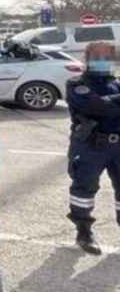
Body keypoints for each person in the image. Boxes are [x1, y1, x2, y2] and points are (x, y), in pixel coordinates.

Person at [65, 41, 120, 255]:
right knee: (84, 189)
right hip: (90, 145)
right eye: (97, 55)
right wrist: (109, 104)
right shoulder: (76, 83)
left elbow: (105, 105)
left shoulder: (116, 84)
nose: (102, 60)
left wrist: (109, 102)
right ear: (87, 58)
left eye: (107, 56)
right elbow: (96, 107)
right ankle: (84, 232)